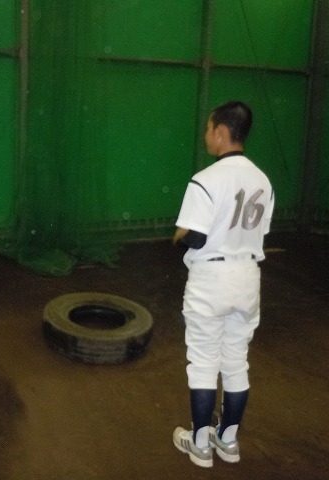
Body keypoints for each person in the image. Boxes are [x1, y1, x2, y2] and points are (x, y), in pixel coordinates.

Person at [171, 101, 274, 468]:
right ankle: (227, 439)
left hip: (211, 279)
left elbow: (196, 238)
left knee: (202, 362)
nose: (206, 135)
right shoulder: (263, 180)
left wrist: (179, 234)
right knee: (235, 361)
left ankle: (200, 444)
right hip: (247, 277)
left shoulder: (206, 179)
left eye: (209, 128)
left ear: (221, 132)